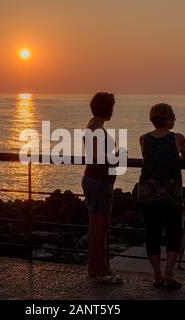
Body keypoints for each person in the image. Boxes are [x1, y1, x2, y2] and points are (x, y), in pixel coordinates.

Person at [137, 103, 185, 289]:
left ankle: (157, 275)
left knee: (152, 233)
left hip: (149, 191)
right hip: (170, 192)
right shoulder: (178, 138)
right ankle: (169, 273)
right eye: (173, 116)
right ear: (168, 119)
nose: (175, 119)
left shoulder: (143, 139)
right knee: (174, 233)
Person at [81, 92, 123, 284]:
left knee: (94, 227)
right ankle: (101, 269)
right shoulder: (96, 130)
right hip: (100, 181)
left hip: (93, 179)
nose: (113, 111)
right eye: (112, 107)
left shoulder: (92, 126)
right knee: (100, 228)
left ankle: (94, 266)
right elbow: (99, 157)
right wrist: (118, 155)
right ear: (107, 109)